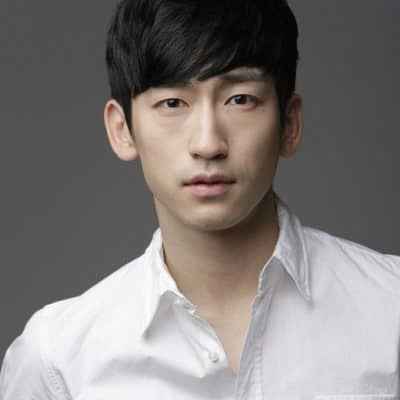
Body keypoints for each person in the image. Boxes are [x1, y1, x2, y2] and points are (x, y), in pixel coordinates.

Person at [1, 0, 399, 398]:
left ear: (289, 124)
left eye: (240, 99)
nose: (208, 144)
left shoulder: (390, 310)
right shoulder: (59, 361)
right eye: (172, 103)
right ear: (122, 129)